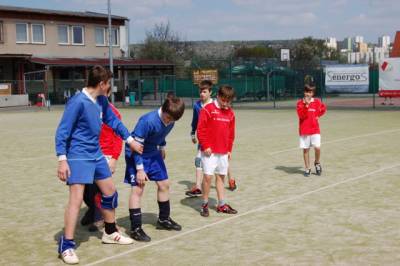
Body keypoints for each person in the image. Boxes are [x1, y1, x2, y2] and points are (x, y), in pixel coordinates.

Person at [55, 65, 143, 264]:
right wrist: (62, 160)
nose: (110, 86)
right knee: (76, 199)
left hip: (96, 154)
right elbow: (63, 131)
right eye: (109, 83)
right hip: (77, 155)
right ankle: (66, 245)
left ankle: (110, 232)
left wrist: (130, 141)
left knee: (110, 192)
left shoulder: (102, 100)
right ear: (102, 84)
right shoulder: (77, 101)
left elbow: (114, 122)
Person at [125, 95, 185, 242]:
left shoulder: (171, 121)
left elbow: (162, 134)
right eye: (168, 118)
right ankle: (135, 229)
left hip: (153, 152)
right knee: (138, 188)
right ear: (163, 109)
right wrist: (139, 169)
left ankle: (163, 220)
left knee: (164, 184)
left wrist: (162, 147)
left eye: (172, 120)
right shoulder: (147, 121)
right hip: (136, 153)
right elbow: (136, 146)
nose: (169, 121)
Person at [80, 85, 124, 232]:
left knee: (103, 190)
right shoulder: (87, 109)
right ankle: (93, 211)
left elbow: (118, 138)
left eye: (105, 92)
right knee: (86, 190)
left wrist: (114, 159)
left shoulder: (113, 112)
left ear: (109, 93)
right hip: (88, 154)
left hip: (105, 156)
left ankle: (105, 220)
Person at [197, 85, 237, 217]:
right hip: (209, 152)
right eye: (224, 99)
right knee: (208, 177)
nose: (226, 103)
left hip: (223, 152)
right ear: (218, 96)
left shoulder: (230, 113)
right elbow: (201, 130)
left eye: (228, 100)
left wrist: (229, 150)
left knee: (221, 177)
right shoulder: (207, 109)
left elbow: (231, 134)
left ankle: (221, 205)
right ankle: (204, 204)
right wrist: (206, 145)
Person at [185, 80, 213, 197]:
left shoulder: (215, 105)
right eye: (201, 91)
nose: (202, 94)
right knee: (198, 160)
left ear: (210, 92)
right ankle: (197, 186)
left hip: (215, 138)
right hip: (203, 137)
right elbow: (195, 120)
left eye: (204, 91)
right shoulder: (197, 105)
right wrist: (192, 133)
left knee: (221, 161)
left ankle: (231, 178)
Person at [296, 84, 326, 177]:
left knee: (317, 147)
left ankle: (317, 162)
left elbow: (323, 108)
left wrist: (318, 115)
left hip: (315, 129)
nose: (308, 94)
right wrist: (306, 105)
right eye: (306, 92)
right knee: (306, 150)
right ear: (304, 92)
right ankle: (307, 168)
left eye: (310, 92)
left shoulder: (317, 102)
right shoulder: (300, 103)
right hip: (304, 130)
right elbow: (302, 116)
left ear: (312, 93)